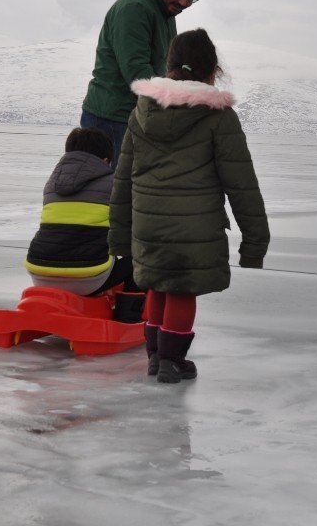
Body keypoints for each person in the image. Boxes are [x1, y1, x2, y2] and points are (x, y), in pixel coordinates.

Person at [110, 28, 270, 384]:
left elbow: (123, 180)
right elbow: (241, 183)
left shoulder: (141, 113)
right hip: (194, 225)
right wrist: (255, 242)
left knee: (155, 283)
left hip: (147, 223)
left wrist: (119, 237)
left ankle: (155, 357)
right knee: (181, 290)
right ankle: (171, 360)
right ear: (211, 69)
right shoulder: (218, 116)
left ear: (169, 67)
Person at [81, 0, 208, 166]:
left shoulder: (166, 12)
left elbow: (166, 67)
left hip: (135, 116)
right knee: (113, 194)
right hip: (112, 119)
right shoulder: (136, 9)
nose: (184, 2)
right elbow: (137, 73)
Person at [25, 127, 145, 321]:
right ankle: (128, 317)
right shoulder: (114, 183)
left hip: (40, 272)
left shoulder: (51, 184)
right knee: (142, 259)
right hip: (88, 276)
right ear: (105, 160)